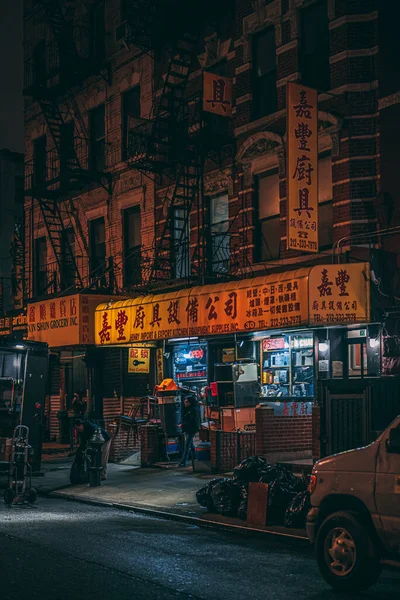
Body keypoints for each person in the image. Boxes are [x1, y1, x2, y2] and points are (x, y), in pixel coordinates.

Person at [179, 396, 200, 467]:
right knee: (190, 444)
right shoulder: (187, 409)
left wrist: (183, 424)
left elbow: (190, 420)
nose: (185, 403)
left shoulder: (193, 410)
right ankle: (196, 457)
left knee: (187, 444)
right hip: (188, 428)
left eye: (186, 402)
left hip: (192, 429)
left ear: (190, 403)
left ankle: (183, 462)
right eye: (184, 402)